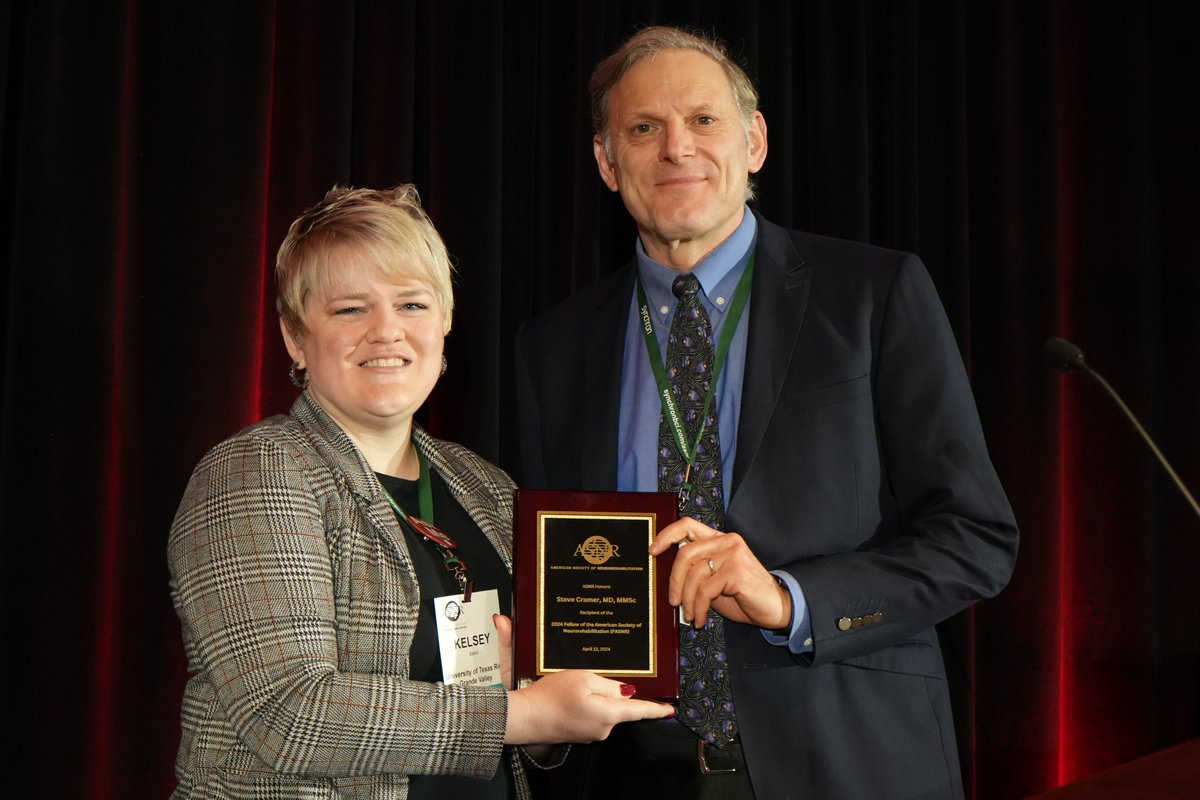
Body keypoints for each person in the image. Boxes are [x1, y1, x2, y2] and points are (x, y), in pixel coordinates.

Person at [514, 26, 1019, 800]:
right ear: (608, 164)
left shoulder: (873, 296)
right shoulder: (553, 347)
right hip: (630, 774)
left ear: (754, 142)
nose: (677, 148)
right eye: (644, 128)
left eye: (704, 120)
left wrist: (793, 600)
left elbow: (975, 538)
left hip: (851, 761)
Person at [167, 185, 671, 800]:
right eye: (350, 309)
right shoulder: (256, 472)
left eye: (411, 304)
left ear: (446, 320)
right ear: (296, 337)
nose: (387, 332)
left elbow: (515, 722)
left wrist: (546, 722)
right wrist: (526, 716)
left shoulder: (486, 486)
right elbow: (289, 712)